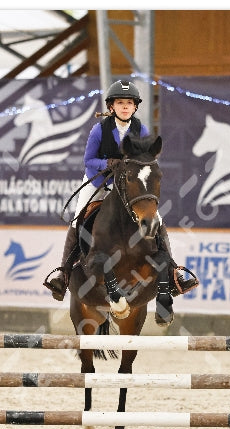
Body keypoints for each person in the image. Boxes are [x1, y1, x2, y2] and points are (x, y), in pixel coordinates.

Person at [43, 79, 198, 301]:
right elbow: (88, 160)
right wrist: (107, 164)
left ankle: (173, 273)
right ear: (111, 107)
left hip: (129, 187)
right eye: (120, 102)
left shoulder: (141, 129)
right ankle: (63, 274)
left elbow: (145, 158)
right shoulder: (99, 130)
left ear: (135, 107)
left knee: (158, 220)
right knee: (78, 219)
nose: (125, 106)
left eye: (129, 103)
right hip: (100, 184)